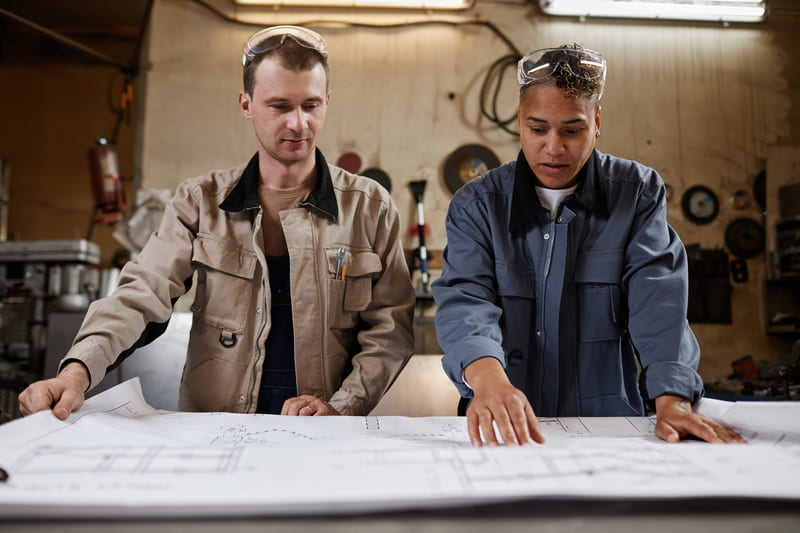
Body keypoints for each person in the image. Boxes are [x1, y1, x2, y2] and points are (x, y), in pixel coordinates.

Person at [19, 25, 415, 419]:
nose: (298, 123)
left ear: (327, 101)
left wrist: (340, 407)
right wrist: (76, 372)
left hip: (321, 435)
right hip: (216, 432)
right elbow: (141, 295)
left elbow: (391, 329)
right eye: (279, 106)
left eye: (310, 105)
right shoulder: (200, 202)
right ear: (246, 104)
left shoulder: (370, 208)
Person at [432, 44, 743, 447]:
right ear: (520, 122)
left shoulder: (636, 195)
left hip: (611, 432)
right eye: (537, 128)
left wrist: (674, 402)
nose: (554, 147)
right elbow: (465, 300)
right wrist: (488, 381)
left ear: (597, 121)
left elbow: (659, 301)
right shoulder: (477, 205)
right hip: (501, 429)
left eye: (573, 130)